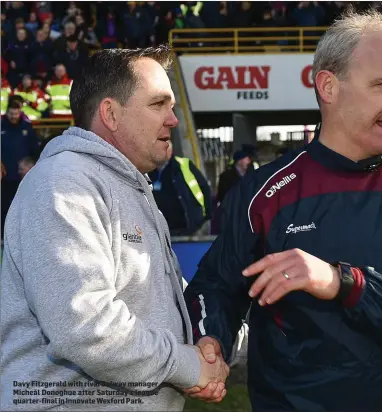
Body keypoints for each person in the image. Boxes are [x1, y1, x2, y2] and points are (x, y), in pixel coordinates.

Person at [184, 9, 382, 412]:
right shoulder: (264, 192)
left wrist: (343, 281)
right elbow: (217, 286)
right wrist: (211, 341)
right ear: (328, 87)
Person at [1, 46, 229, 412]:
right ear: (110, 113)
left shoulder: (131, 186)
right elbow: (86, 327)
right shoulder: (62, 183)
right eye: (158, 104)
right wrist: (189, 366)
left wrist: (215, 343)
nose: (173, 119)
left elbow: (163, 301)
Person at [147, 146, 213, 236]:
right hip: (159, 229)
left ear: (171, 150)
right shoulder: (148, 169)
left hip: (186, 227)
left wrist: (207, 216)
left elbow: (205, 188)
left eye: (167, 148)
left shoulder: (183, 165)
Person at [1, 100, 39, 239]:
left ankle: (25, 238)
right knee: (5, 209)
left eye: (16, 113)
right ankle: (5, 239)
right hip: (5, 179)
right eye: (11, 113)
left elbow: (35, 151)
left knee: (25, 210)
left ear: (20, 112)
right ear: (7, 112)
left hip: (25, 179)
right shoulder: (1, 126)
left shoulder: (27, 127)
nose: (14, 116)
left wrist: (32, 167)